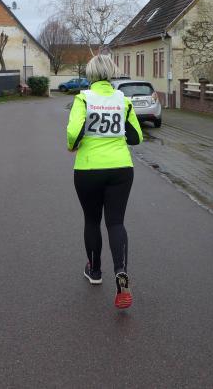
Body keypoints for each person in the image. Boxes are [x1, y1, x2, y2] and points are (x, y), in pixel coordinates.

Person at [66, 54, 143, 309]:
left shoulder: (83, 99)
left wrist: (73, 145)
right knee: (116, 222)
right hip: (121, 168)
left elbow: (73, 133)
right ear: (111, 73)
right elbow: (136, 138)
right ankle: (121, 273)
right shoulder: (123, 100)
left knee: (92, 220)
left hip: (89, 168)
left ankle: (95, 270)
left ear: (90, 75)